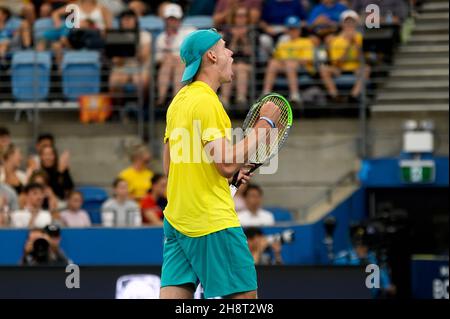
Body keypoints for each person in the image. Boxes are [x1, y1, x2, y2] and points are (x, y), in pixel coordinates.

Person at [160, 28, 280, 299]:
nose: (231, 53)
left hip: (177, 221)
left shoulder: (178, 102)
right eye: (225, 47)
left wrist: (226, 179)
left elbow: (171, 167)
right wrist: (265, 125)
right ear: (211, 56)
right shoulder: (207, 102)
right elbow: (226, 163)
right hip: (211, 221)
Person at [319, 10, 371, 102]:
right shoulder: (336, 41)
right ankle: (335, 96)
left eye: (352, 22)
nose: (349, 25)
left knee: (366, 69)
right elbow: (337, 63)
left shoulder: (360, 38)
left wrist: (357, 45)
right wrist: (348, 46)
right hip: (340, 68)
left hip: (356, 68)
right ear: (343, 24)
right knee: (323, 69)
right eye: (347, 22)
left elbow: (364, 59)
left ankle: (353, 96)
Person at [262, 16, 316, 103]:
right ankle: (265, 94)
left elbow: (307, 60)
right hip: (285, 67)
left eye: (295, 28)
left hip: (302, 69)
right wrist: (285, 61)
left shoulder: (306, 41)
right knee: (273, 63)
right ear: (287, 30)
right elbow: (277, 58)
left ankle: (295, 95)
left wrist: (290, 60)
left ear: (299, 29)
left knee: (290, 64)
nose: (293, 31)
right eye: (290, 28)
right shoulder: (283, 43)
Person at [155, 3, 196, 106]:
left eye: (175, 19)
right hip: (168, 65)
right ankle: (161, 99)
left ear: (180, 19)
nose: (172, 22)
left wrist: (179, 58)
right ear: (165, 20)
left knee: (179, 64)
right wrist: (165, 57)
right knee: (167, 64)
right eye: (170, 19)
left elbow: (195, 52)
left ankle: (175, 99)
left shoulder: (190, 31)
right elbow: (157, 59)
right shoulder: (161, 37)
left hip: (186, 64)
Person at [109, 10, 152, 107]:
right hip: (122, 67)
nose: (127, 21)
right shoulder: (115, 36)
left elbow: (143, 57)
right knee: (114, 82)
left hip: (140, 67)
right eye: (124, 19)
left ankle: (142, 109)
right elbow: (116, 61)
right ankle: (120, 109)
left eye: (130, 18)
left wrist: (126, 49)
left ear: (135, 21)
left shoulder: (145, 35)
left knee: (141, 81)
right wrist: (128, 48)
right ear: (121, 22)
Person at [219, 6, 253, 108]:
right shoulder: (228, 33)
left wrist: (243, 38)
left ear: (247, 18)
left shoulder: (252, 31)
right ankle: (225, 99)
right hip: (232, 63)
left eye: (243, 16)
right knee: (232, 68)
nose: (240, 19)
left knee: (241, 67)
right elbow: (228, 52)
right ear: (234, 18)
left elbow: (250, 52)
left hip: (248, 64)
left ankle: (241, 99)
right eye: (238, 16)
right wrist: (235, 38)